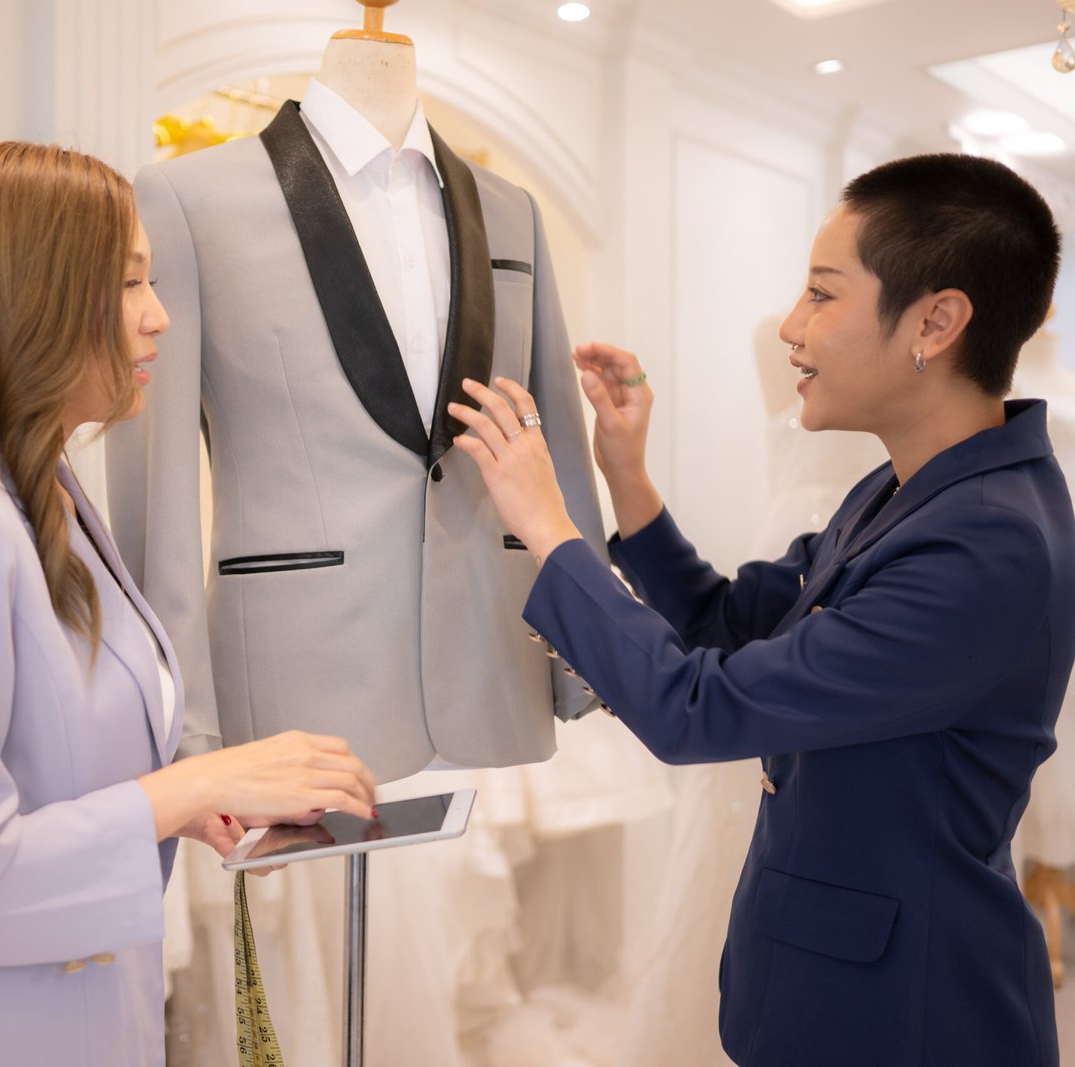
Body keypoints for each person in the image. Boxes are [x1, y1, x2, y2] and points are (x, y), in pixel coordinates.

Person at [448, 153, 1073, 1065]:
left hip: (908, 1016)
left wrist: (548, 530)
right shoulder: (909, 491)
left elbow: (696, 707)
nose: (791, 327)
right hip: (831, 988)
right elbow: (726, 624)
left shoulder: (987, 543)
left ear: (935, 322)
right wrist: (627, 477)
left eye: (821, 293)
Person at [0, 141, 377, 1067]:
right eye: (130, 282)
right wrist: (192, 786)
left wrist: (189, 806)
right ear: (34, 297)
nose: (159, 316)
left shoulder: (47, 492)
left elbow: (61, 767)